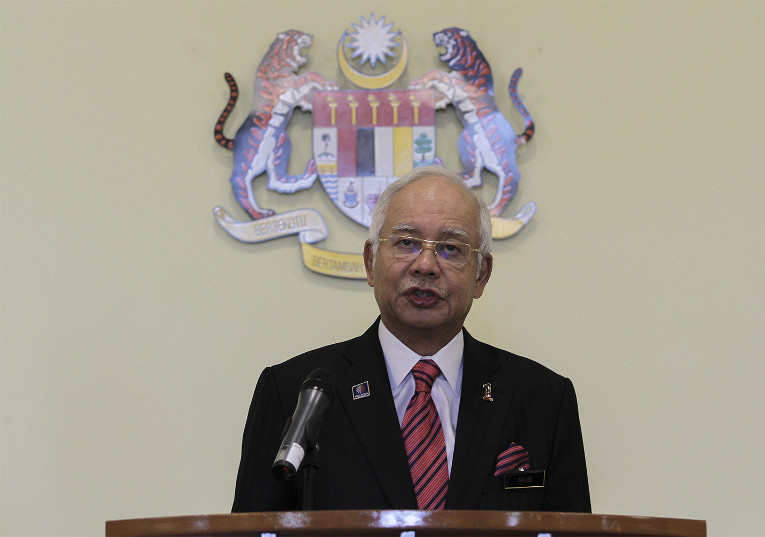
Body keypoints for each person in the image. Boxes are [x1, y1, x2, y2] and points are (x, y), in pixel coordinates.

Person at [232, 166, 591, 512]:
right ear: (371, 262)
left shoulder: (545, 399)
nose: (426, 265)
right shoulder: (295, 392)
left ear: (481, 275)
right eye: (406, 242)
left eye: (451, 248)